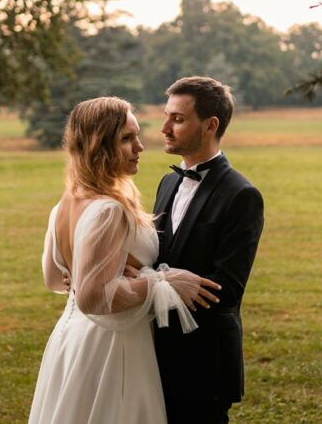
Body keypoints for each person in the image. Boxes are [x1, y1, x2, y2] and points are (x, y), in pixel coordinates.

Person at [29, 96, 221, 424]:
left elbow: (54, 279)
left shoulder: (64, 205)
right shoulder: (108, 210)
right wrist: (161, 281)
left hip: (71, 338)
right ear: (98, 147)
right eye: (126, 139)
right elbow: (92, 296)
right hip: (111, 349)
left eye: (136, 136)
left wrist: (107, 273)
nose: (140, 147)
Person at [153, 77, 265, 424]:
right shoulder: (168, 181)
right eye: (167, 116)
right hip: (153, 355)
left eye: (178, 119)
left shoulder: (241, 195)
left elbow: (225, 290)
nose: (164, 128)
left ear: (210, 125)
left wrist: (153, 284)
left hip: (203, 360)